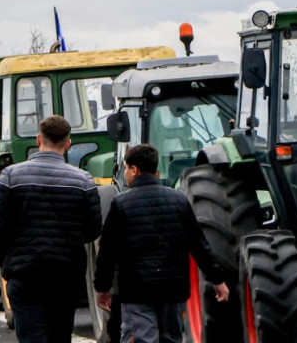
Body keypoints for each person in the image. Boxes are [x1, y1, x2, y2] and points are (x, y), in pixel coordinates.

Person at [93, 144, 230, 343]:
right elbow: (199, 245)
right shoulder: (179, 200)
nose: (125, 173)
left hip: (137, 292)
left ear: (134, 170)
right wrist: (217, 280)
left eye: (125, 168)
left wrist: (102, 288)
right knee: (172, 339)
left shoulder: (121, 204)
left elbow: (106, 252)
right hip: (174, 290)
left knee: (141, 339)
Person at [0, 115, 103, 343]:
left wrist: (7, 263)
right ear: (68, 143)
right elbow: (93, 230)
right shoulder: (83, 181)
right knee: (60, 336)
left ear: (38, 139)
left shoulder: (10, 177)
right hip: (65, 274)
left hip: (24, 272)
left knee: (31, 336)